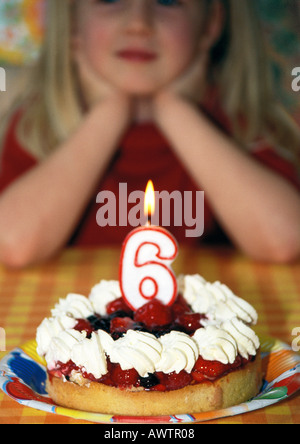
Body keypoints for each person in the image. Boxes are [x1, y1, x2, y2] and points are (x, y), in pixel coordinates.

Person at [0, 0, 300, 268]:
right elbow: (12, 245)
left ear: (211, 23)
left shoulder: (242, 124)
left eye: (167, 2)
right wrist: (111, 112)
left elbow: (284, 242)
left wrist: (174, 110)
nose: (138, 24)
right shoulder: (38, 127)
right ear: (73, 21)